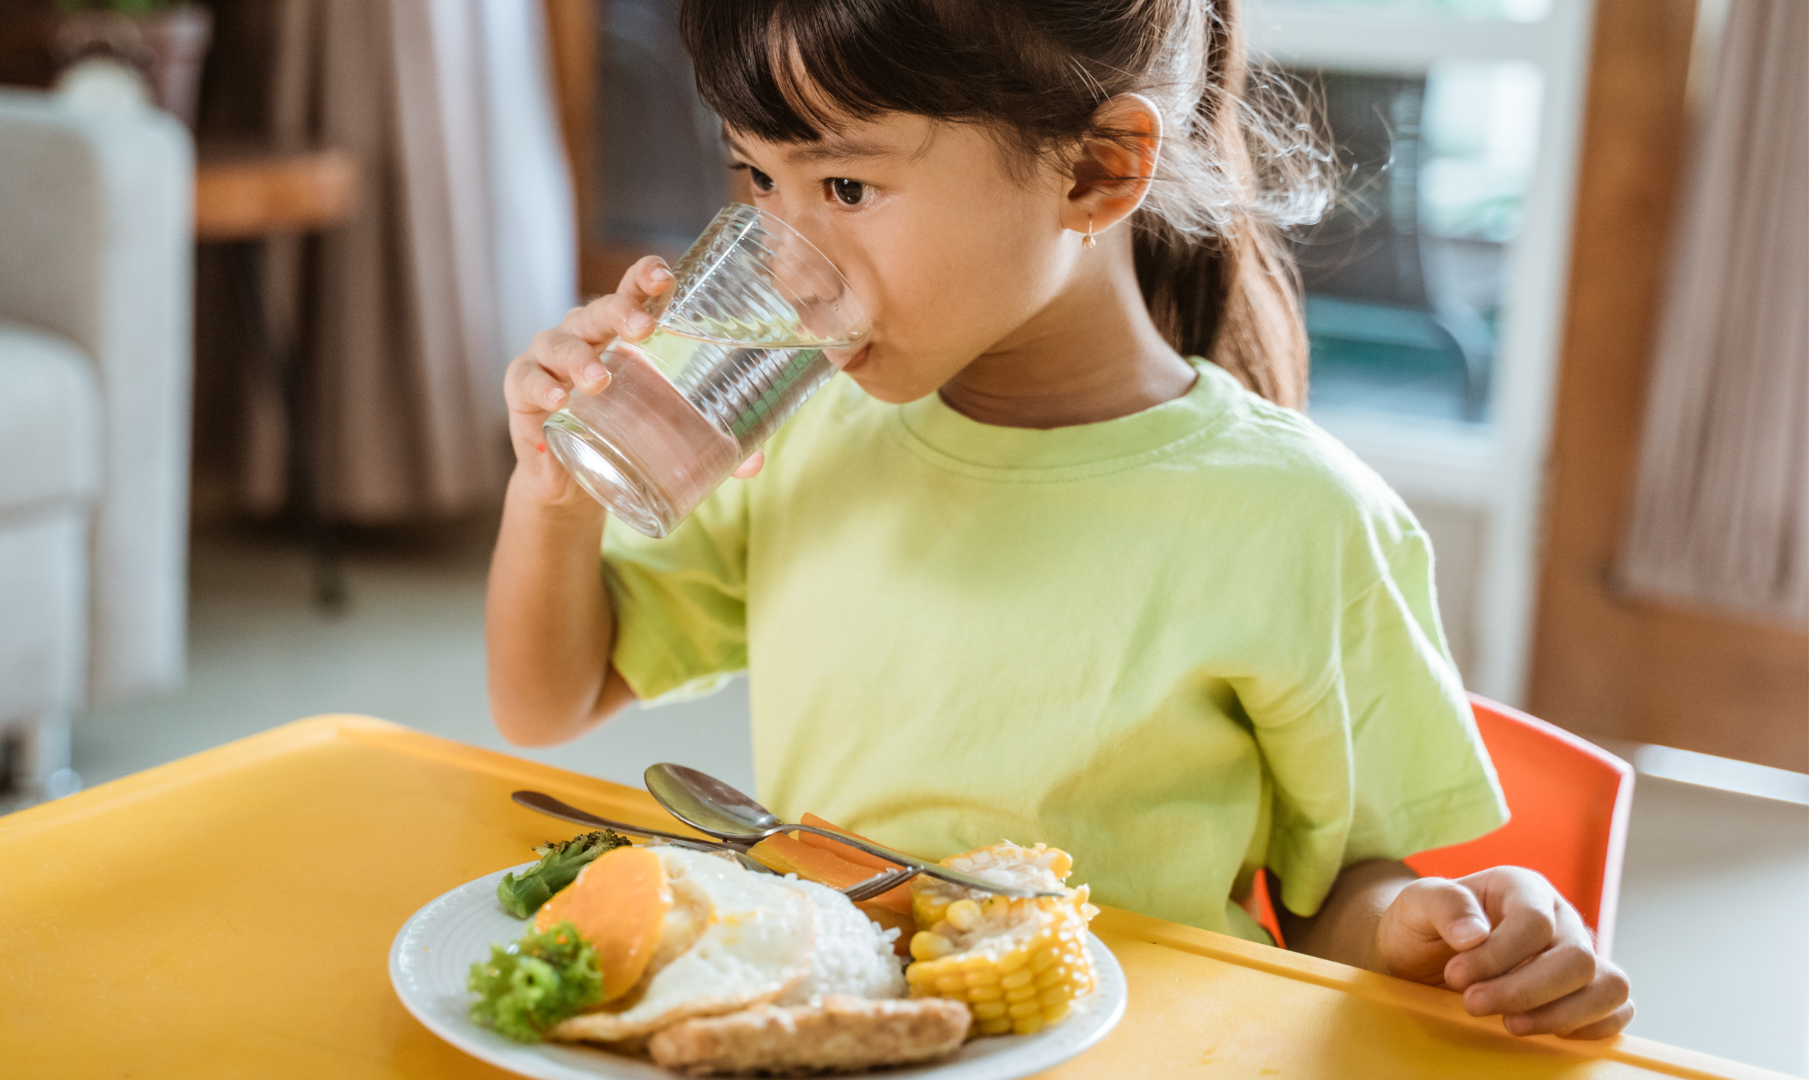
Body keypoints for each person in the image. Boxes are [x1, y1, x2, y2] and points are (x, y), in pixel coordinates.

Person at [486, 0, 1633, 1040]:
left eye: (844, 189)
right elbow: (548, 698)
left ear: (1095, 171)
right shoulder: (801, 439)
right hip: (853, 1039)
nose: (786, 264)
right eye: (757, 181)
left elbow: (1342, 897)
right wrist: (555, 489)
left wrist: (1438, 924)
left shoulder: (1296, 519)